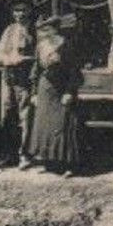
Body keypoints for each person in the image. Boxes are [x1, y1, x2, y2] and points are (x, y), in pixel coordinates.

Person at [26, 17, 84, 177]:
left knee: (63, 126)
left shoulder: (66, 45)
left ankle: (69, 166)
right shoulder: (41, 46)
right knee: (45, 127)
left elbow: (74, 71)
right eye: (43, 30)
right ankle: (49, 163)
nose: (44, 33)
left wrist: (69, 92)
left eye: (48, 29)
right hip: (45, 89)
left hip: (61, 90)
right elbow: (35, 71)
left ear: (56, 29)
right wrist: (34, 93)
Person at [0, 0, 38, 169]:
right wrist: (4, 59)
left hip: (25, 77)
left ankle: (25, 154)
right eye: (16, 10)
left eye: (22, 10)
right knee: (6, 114)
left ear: (29, 10)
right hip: (7, 77)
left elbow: (38, 55)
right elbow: (0, 53)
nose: (19, 14)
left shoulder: (34, 30)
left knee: (25, 115)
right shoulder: (9, 30)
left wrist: (23, 59)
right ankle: (9, 154)